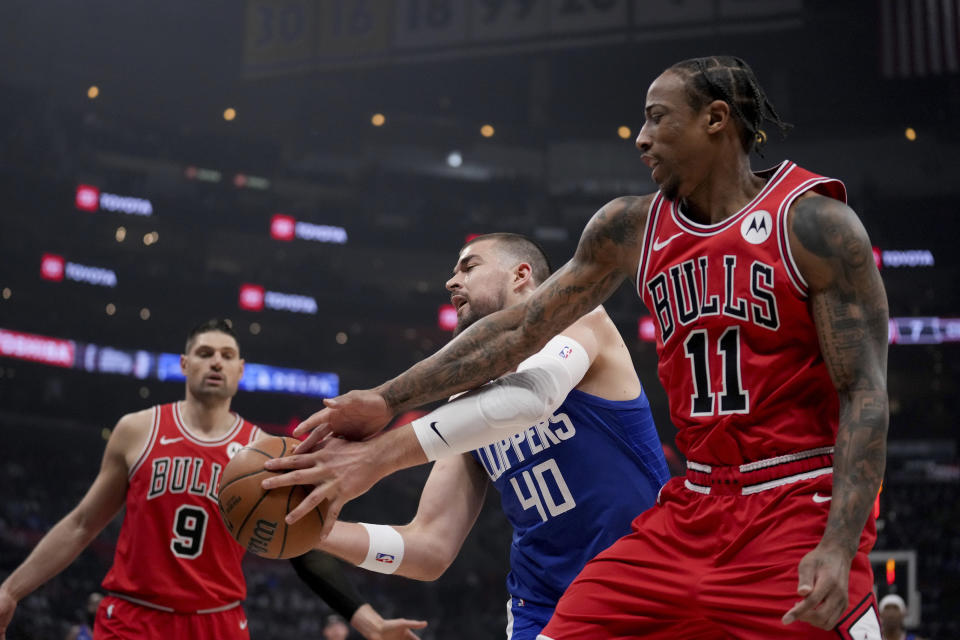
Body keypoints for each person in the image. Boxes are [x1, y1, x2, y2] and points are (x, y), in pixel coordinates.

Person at [275, 55, 890, 639]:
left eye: (657, 116)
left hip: (794, 501)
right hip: (693, 508)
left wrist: (841, 541)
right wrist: (384, 401)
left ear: (717, 118)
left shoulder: (814, 224)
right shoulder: (630, 227)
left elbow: (865, 395)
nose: (641, 137)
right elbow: (516, 336)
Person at [265, 233, 670, 639]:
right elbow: (428, 548)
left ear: (521, 275)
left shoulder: (583, 318)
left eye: (468, 267)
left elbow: (533, 397)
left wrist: (376, 456)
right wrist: (319, 532)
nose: (450, 281)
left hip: (640, 577)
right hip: (544, 604)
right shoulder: (465, 406)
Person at [0, 319, 426, 640]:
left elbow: (303, 544)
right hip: (132, 616)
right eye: (205, 353)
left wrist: (366, 620)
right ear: (185, 365)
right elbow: (81, 524)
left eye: (226, 355)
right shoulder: (138, 429)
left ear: (241, 371)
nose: (216, 361)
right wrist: (11, 591)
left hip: (216, 620)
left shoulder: (265, 449)